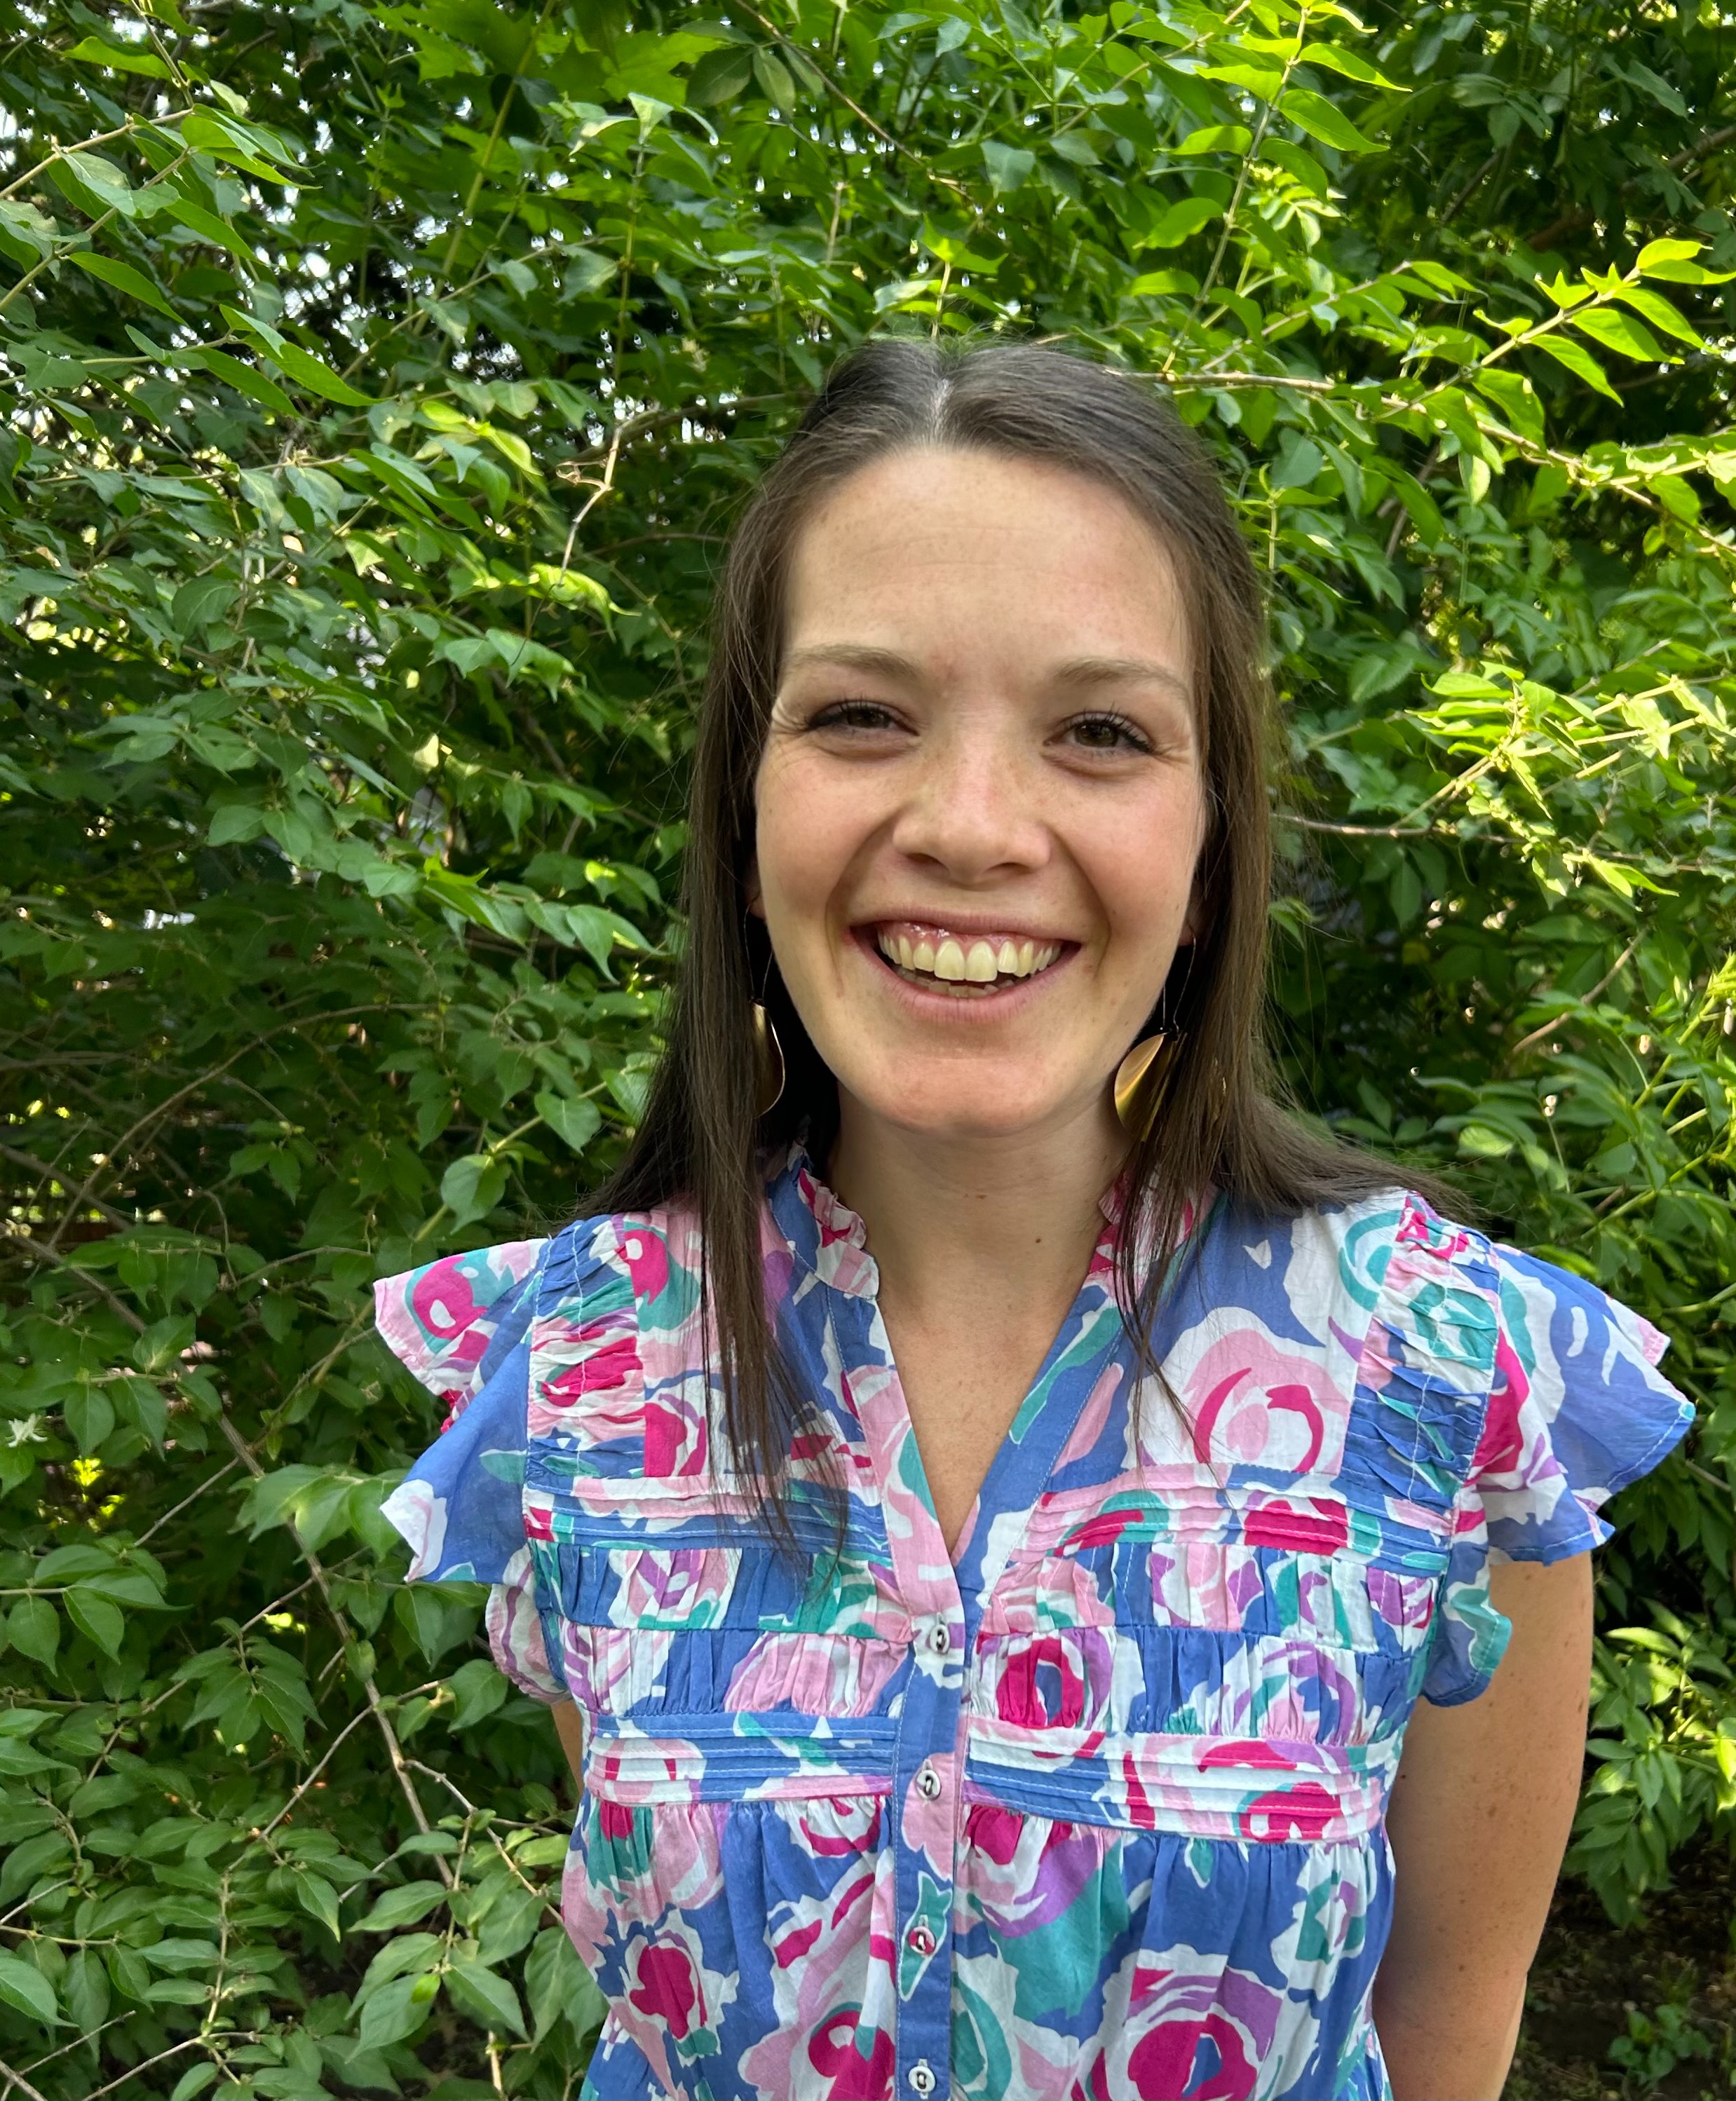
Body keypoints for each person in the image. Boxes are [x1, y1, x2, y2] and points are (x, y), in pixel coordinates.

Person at [374, 339, 1693, 2101]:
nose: (973, 827)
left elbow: (1448, 2024)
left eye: (1099, 731)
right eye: (861, 714)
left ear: (1210, 837)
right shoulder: (586, 1368)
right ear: (744, 805)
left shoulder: (1448, 1382)